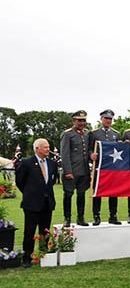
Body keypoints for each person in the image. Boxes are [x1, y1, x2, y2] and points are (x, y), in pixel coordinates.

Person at [15, 138, 58, 268]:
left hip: (47, 203)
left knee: (44, 231)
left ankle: (44, 254)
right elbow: (20, 182)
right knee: (29, 231)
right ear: (37, 149)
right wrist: (30, 193)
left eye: (48, 146)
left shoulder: (52, 163)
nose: (48, 149)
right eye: (45, 147)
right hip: (32, 204)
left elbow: (53, 180)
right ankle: (27, 257)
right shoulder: (27, 163)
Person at [89, 109, 122, 226]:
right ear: (101, 119)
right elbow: (89, 149)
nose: (108, 121)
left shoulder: (116, 134)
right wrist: (91, 155)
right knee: (97, 192)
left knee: (113, 193)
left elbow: (120, 149)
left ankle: (113, 215)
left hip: (113, 168)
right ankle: (96, 216)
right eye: (106, 118)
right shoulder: (94, 133)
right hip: (99, 167)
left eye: (110, 119)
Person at [60, 110, 91, 227]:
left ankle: (80, 217)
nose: (82, 123)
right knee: (68, 195)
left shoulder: (87, 134)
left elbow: (87, 150)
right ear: (74, 121)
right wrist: (67, 171)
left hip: (83, 171)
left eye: (84, 120)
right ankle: (67, 218)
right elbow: (64, 154)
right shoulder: (67, 134)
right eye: (79, 120)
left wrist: (91, 155)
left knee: (81, 195)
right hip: (71, 171)